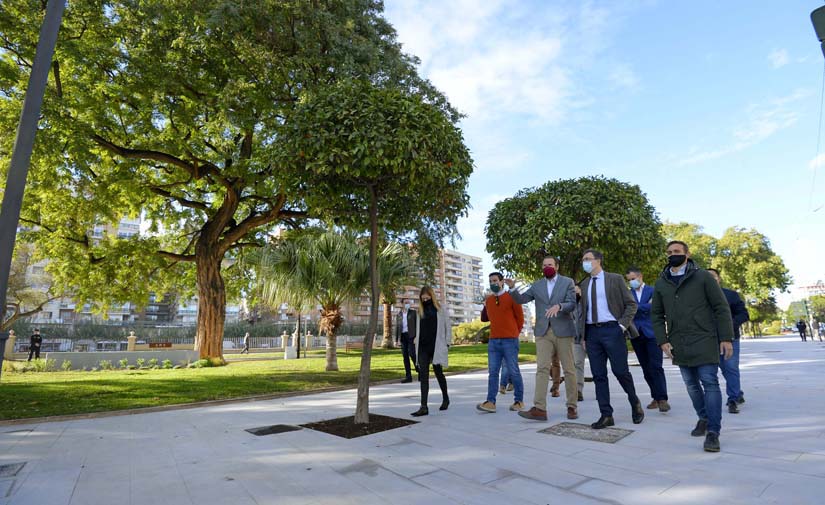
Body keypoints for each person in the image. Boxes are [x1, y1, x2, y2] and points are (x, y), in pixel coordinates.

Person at [651, 241, 734, 452]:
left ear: (687, 254)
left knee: (710, 382)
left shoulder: (703, 277)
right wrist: (662, 340)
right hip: (678, 342)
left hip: (704, 338)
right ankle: (703, 418)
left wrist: (726, 338)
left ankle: (713, 432)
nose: (672, 255)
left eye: (677, 252)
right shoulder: (661, 283)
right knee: (691, 385)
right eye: (669, 252)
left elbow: (721, 308)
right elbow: (657, 315)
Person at [506, 256, 579, 421]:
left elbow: (572, 303)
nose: (547, 267)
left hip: (564, 330)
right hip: (543, 332)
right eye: (544, 265)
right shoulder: (537, 285)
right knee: (542, 369)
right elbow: (522, 299)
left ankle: (572, 406)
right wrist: (512, 289)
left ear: (557, 267)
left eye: (550, 265)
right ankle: (539, 409)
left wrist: (559, 306)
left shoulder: (567, 282)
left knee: (569, 369)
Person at [578, 249, 644, 429]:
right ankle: (606, 414)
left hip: (612, 330)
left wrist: (621, 326)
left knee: (620, 371)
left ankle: (634, 402)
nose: (585, 262)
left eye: (588, 259)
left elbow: (631, 304)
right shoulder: (584, 284)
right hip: (592, 334)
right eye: (583, 259)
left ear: (598, 260)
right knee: (599, 376)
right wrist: (584, 335)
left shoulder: (614, 279)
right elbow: (583, 312)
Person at [478, 272, 525, 413]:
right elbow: (484, 319)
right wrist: (485, 304)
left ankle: (519, 401)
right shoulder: (490, 300)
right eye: (491, 281)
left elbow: (520, 318)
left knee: (513, 370)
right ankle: (490, 402)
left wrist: (514, 333)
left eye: (495, 281)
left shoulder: (511, 297)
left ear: (502, 281)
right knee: (493, 372)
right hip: (494, 341)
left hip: (510, 340)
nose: (493, 283)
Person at [625, 266, 670, 412]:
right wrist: (644, 306)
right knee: (646, 368)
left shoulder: (653, 290)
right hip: (636, 334)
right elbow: (627, 310)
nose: (631, 282)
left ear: (640, 276)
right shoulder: (627, 293)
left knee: (656, 367)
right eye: (629, 280)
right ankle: (655, 397)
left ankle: (662, 399)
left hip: (653, 333)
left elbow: (655, 308)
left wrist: (636, 307)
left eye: (633, 279)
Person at [707, 268, 749, 414]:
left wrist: (729, 324)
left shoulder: (730, 295)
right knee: (723, 369)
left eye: (713, 276)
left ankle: (732, 399)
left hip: (730, 338)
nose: (710, 279)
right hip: (709, 339)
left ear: (719, 278)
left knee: (730, 367)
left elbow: (744, 314)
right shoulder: (700, 297)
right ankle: (737, 391)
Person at [411, 286, 451, 417]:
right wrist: (416, 338)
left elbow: (447, 326)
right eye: (423, 297)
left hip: (436, 346)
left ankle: (446, 398)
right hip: (422, 347)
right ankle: (424, 406)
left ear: (431, 296)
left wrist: (447, 342)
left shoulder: (440, 309)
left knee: (438, 373)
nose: (425, 299)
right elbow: (418, 328)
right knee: (423, 376)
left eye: (427, 296)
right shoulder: (419, 311)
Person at [395, 298, 419, 383]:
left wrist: (417, 336)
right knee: (405, 357)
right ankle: (408, 377)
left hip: (411, 336)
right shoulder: (399, 315)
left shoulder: (413, 313)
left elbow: (417, 325)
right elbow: (397, 327)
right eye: (406, 303)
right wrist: (396, 340)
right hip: (403, 337)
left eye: (409, 302)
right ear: (402, 304)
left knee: (412, 354)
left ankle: (419, 370)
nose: (408, 304)